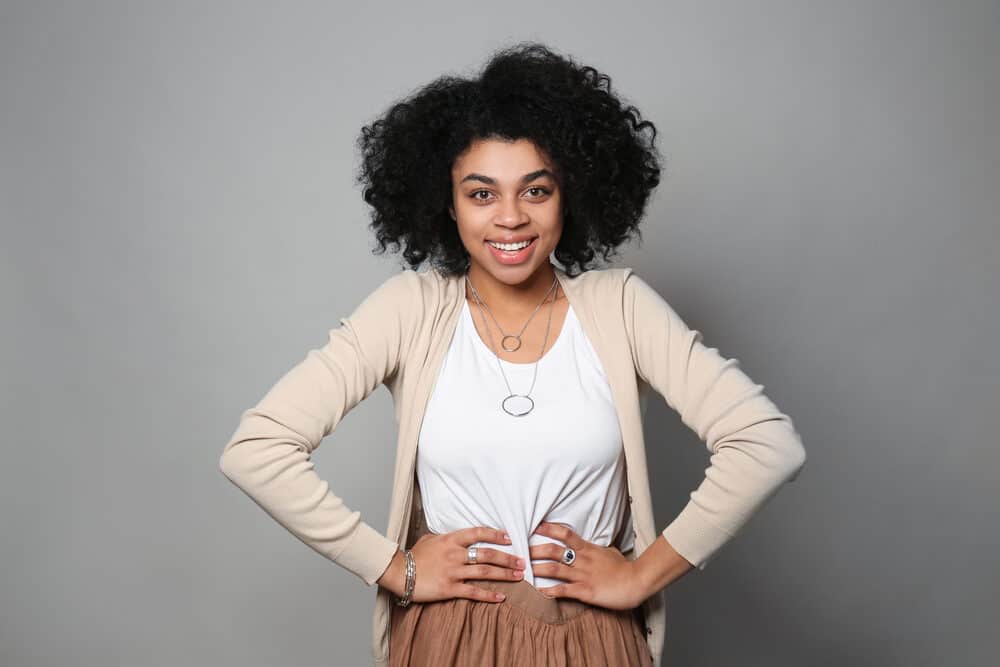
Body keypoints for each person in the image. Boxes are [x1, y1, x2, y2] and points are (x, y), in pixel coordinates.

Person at [219, 42, 806, 666]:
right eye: (481, 194)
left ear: (568, 196)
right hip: (451, 640)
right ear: (447, 204)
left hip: (591, 638)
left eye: (535, 190)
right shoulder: (410, 309)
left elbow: (766, 444)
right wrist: (393, 567)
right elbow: (258, 449)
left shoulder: (621, 307)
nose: (510, 219)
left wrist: (640, 577)